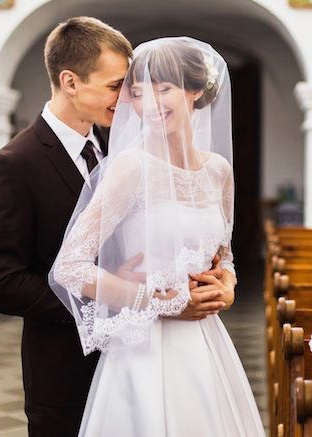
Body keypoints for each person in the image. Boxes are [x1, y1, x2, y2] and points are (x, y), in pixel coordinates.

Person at [0, 18, 230, 436]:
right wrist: (121, 299)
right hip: (66, 366)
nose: (131, 101)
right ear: (70, 82)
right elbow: (0, 282)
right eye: (118, 87)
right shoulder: (15, 163)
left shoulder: (125, 146)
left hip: (147, 356)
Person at [50, 37, 266, 436]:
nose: (149, 104)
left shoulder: (218, 171)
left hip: (204, 339)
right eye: (137, 93)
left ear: (195, 91)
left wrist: (229, 285)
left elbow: (224, 254)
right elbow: (69, 268)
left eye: (163, 89)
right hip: (145, 348)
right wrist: (160, 303)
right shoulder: (130, 168)